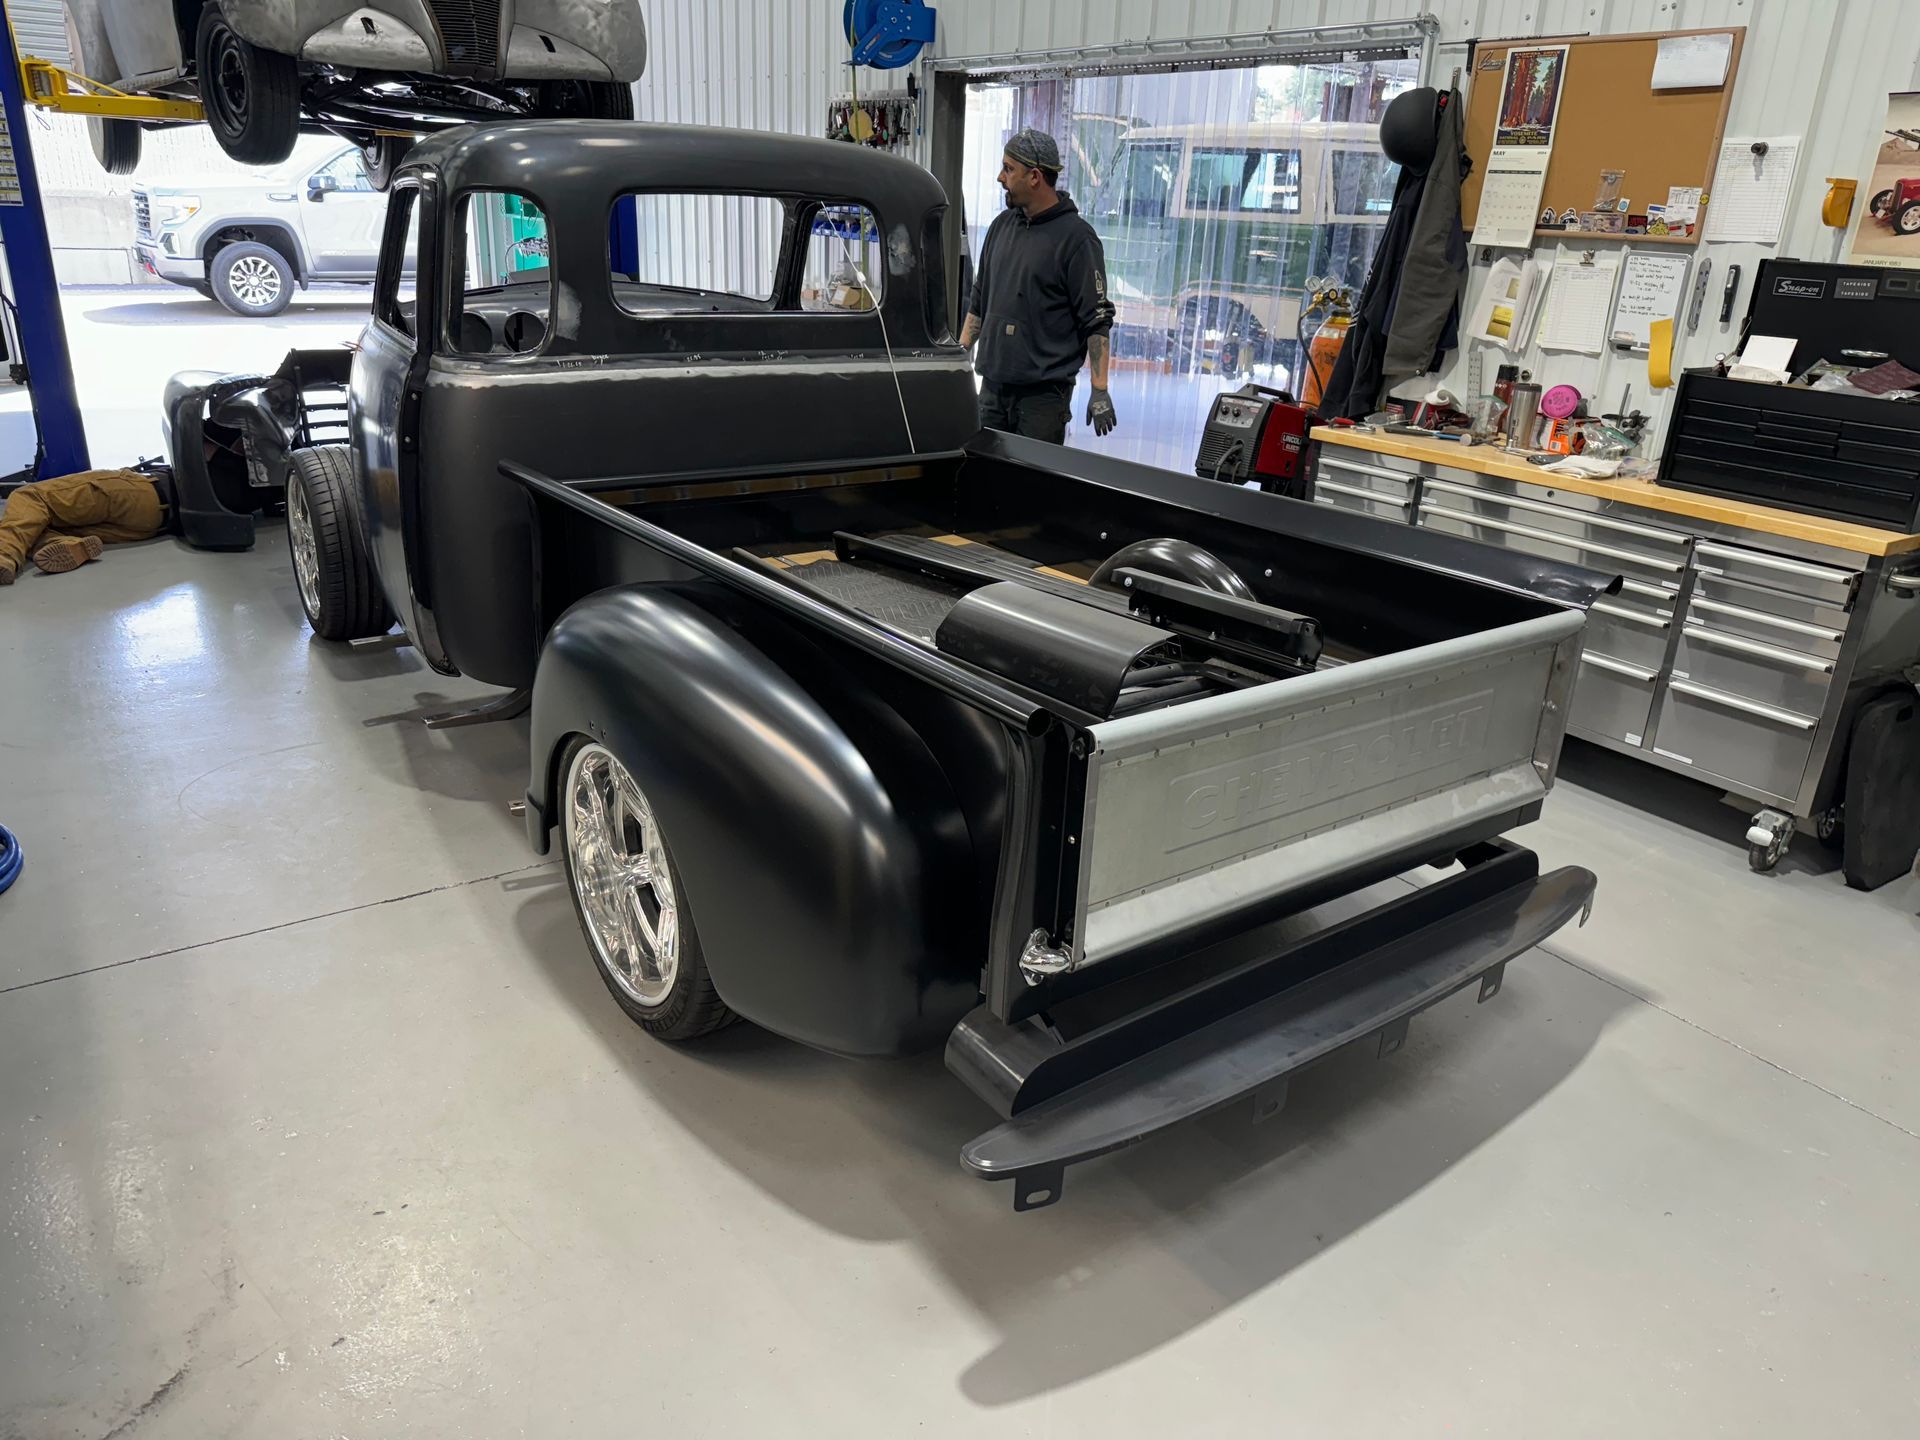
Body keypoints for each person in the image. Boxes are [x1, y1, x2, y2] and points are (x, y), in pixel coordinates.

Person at [961, 128, 1118, 445]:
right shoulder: (1001, 226)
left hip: (1042, 400)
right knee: (982, 471)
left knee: (1030, 477)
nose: (1000, 177)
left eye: (1008, 169)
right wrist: (959, 354)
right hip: (992, 389)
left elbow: (1096, 320)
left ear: (1034, 177)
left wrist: (1100, 389)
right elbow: (979, 299)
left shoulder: (1077, 239)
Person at [0, 468, 170, 585]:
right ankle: (62, 543)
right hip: (154, 522)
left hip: (142, 493)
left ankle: (3, 554)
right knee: (34, 527)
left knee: (30, 497)